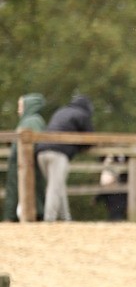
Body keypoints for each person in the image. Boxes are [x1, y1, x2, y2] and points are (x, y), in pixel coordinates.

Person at [35, 94, 94, 222]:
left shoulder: (61, 111)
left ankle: (66, 218)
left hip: (41, 151)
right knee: (54, 187)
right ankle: (49, 219)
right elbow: (90, 139)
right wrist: (79, 148)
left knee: (58, 185)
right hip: (58, 152)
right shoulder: (82, 115)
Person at [3, 93, 46, 222]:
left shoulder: (32, 120)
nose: (18, 109)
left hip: (25, 167)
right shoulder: (29, 121)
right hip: (20, 166)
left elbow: (33, 143)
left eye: (21, 106)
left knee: (26, 195)